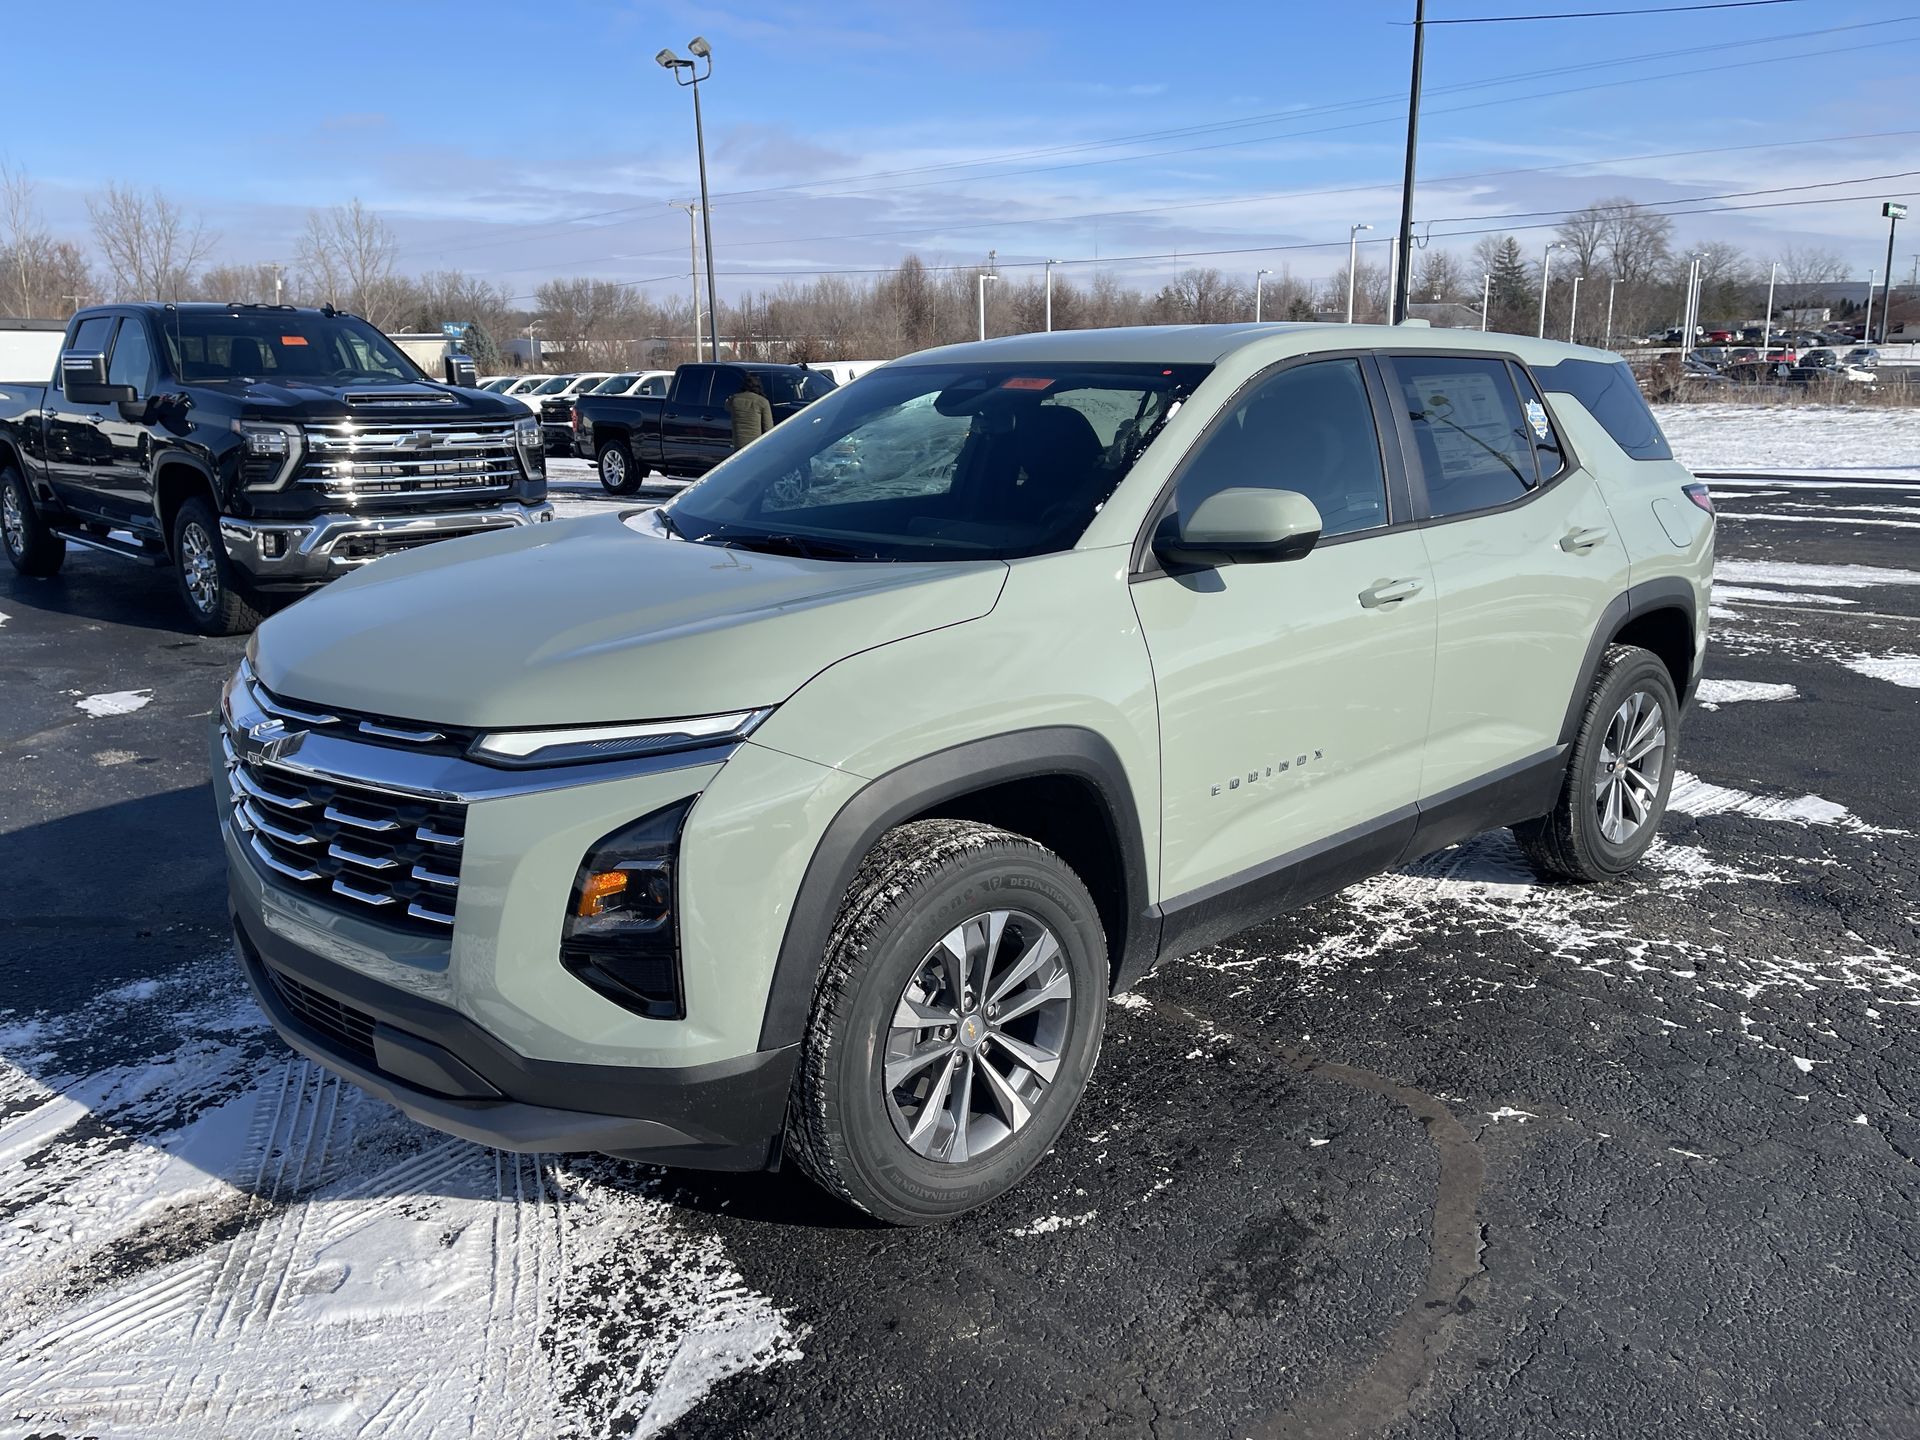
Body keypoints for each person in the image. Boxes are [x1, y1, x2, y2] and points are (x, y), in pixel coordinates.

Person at [726, 372, 775, 450]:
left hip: (738, 443)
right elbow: (768, 427)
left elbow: (726, 407)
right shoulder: (762, 402)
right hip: (755, 444)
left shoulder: (734, 399)